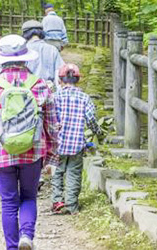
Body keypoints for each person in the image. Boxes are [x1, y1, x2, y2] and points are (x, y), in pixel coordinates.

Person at [0, 35, 58, 250]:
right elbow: (52, 124)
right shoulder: (39, 85)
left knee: (9, 202)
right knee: (29, 196)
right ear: (25, 59)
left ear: (2, 59)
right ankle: (26, 236)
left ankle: (12, 247)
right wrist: (52, 157)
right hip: (33, 150)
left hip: (2, 151)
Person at [51, 63, 102, 215]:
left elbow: (49, 117)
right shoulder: (84, 98)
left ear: (60, 80)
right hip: (77, 144)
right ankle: (71, 204)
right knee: (74, 173)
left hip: (57, 143)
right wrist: (97, 131)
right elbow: (91, 118)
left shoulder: (55, 97)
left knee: (57, 172)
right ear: (78, 79)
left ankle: (57, 201)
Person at [21, 20, 64, 89]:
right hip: (48, 87)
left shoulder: (23, 50)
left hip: (28, 88)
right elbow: (59, 70)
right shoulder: (52, 49)